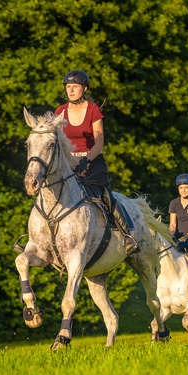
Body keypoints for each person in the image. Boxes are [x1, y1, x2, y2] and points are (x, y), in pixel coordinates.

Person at [54, 70, 138, 254]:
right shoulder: (60, 112)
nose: (71, 90)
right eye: (68, 87)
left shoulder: (93, 110)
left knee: (105, 195)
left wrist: (86, 160)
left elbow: (99, 141)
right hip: (68, 164)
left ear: (85, 88)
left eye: (75, 87)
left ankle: (127, 234)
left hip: (91, 161)